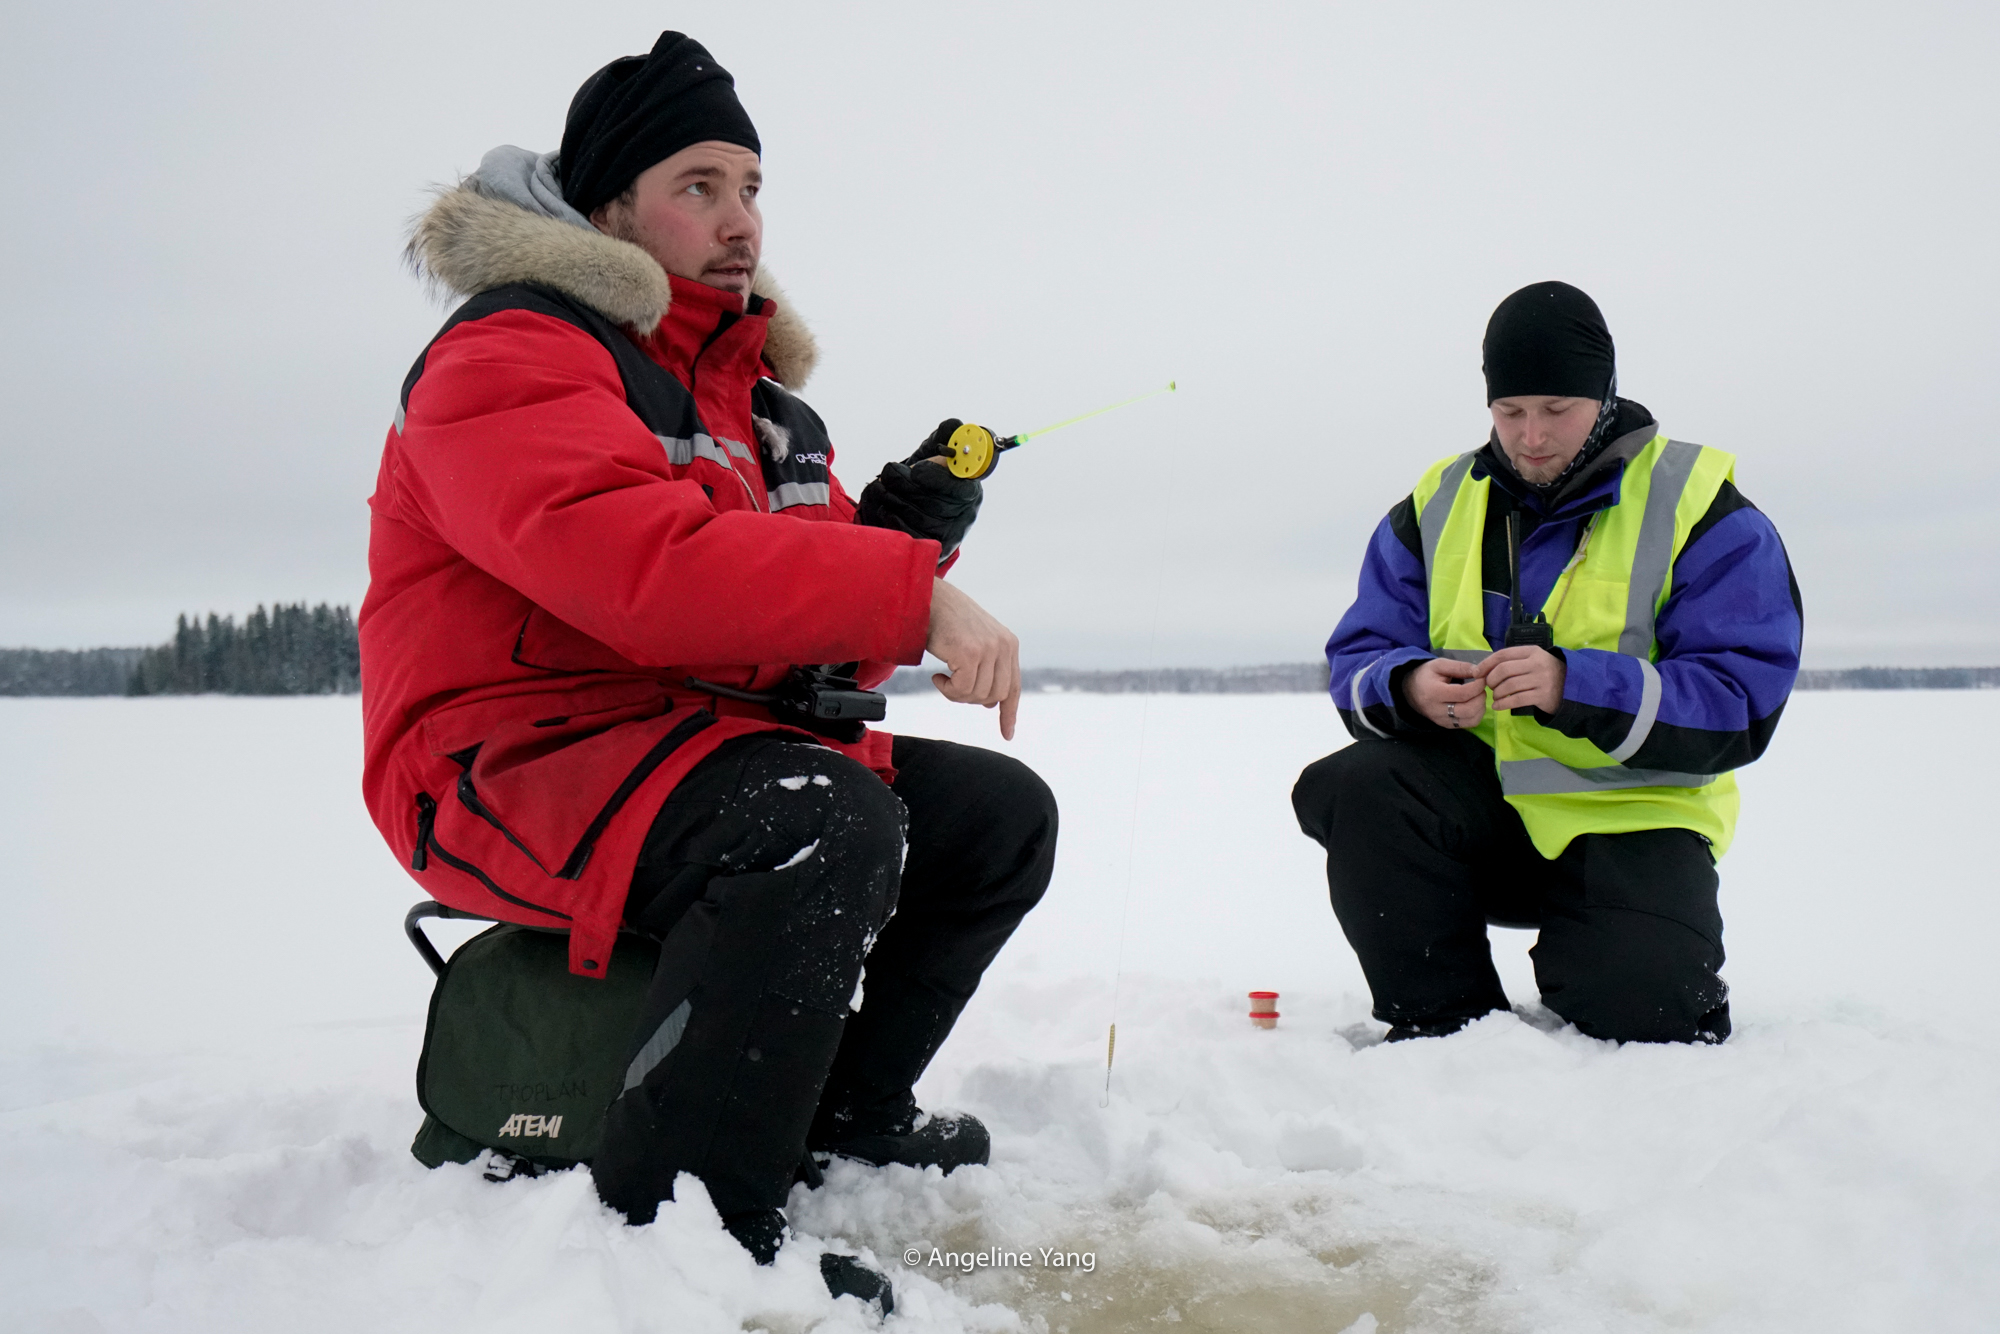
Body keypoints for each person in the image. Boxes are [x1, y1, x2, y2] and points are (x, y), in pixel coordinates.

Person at [359, 31, 1057, 1290]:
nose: (739, 221)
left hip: (686, 739)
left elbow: (808, 611)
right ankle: (691, 1227)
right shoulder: (509, 354)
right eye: (699, 186)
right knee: (813, 818)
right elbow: (647, 572)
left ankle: (836, 1111)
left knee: (995, 817)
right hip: (505, 758)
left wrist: (900, 532)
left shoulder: (755, 398)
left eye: (749, 188)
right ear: (609, 205)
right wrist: (915, 598)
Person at [1292, 281, 1800, 1045]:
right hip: (1485, 812)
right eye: (1510, 412)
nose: (1531, 437)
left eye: (1557, 411)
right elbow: (1359, 654)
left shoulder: (1703, 508)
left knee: (1647, 1015)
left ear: (1604, 395)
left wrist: (1575, 684)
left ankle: (1610, 957)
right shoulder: (1438, 501)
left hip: (1635, 819)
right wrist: (1410, 685)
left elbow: (1742, 701)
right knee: (1359, 784)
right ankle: (1445, 1027)